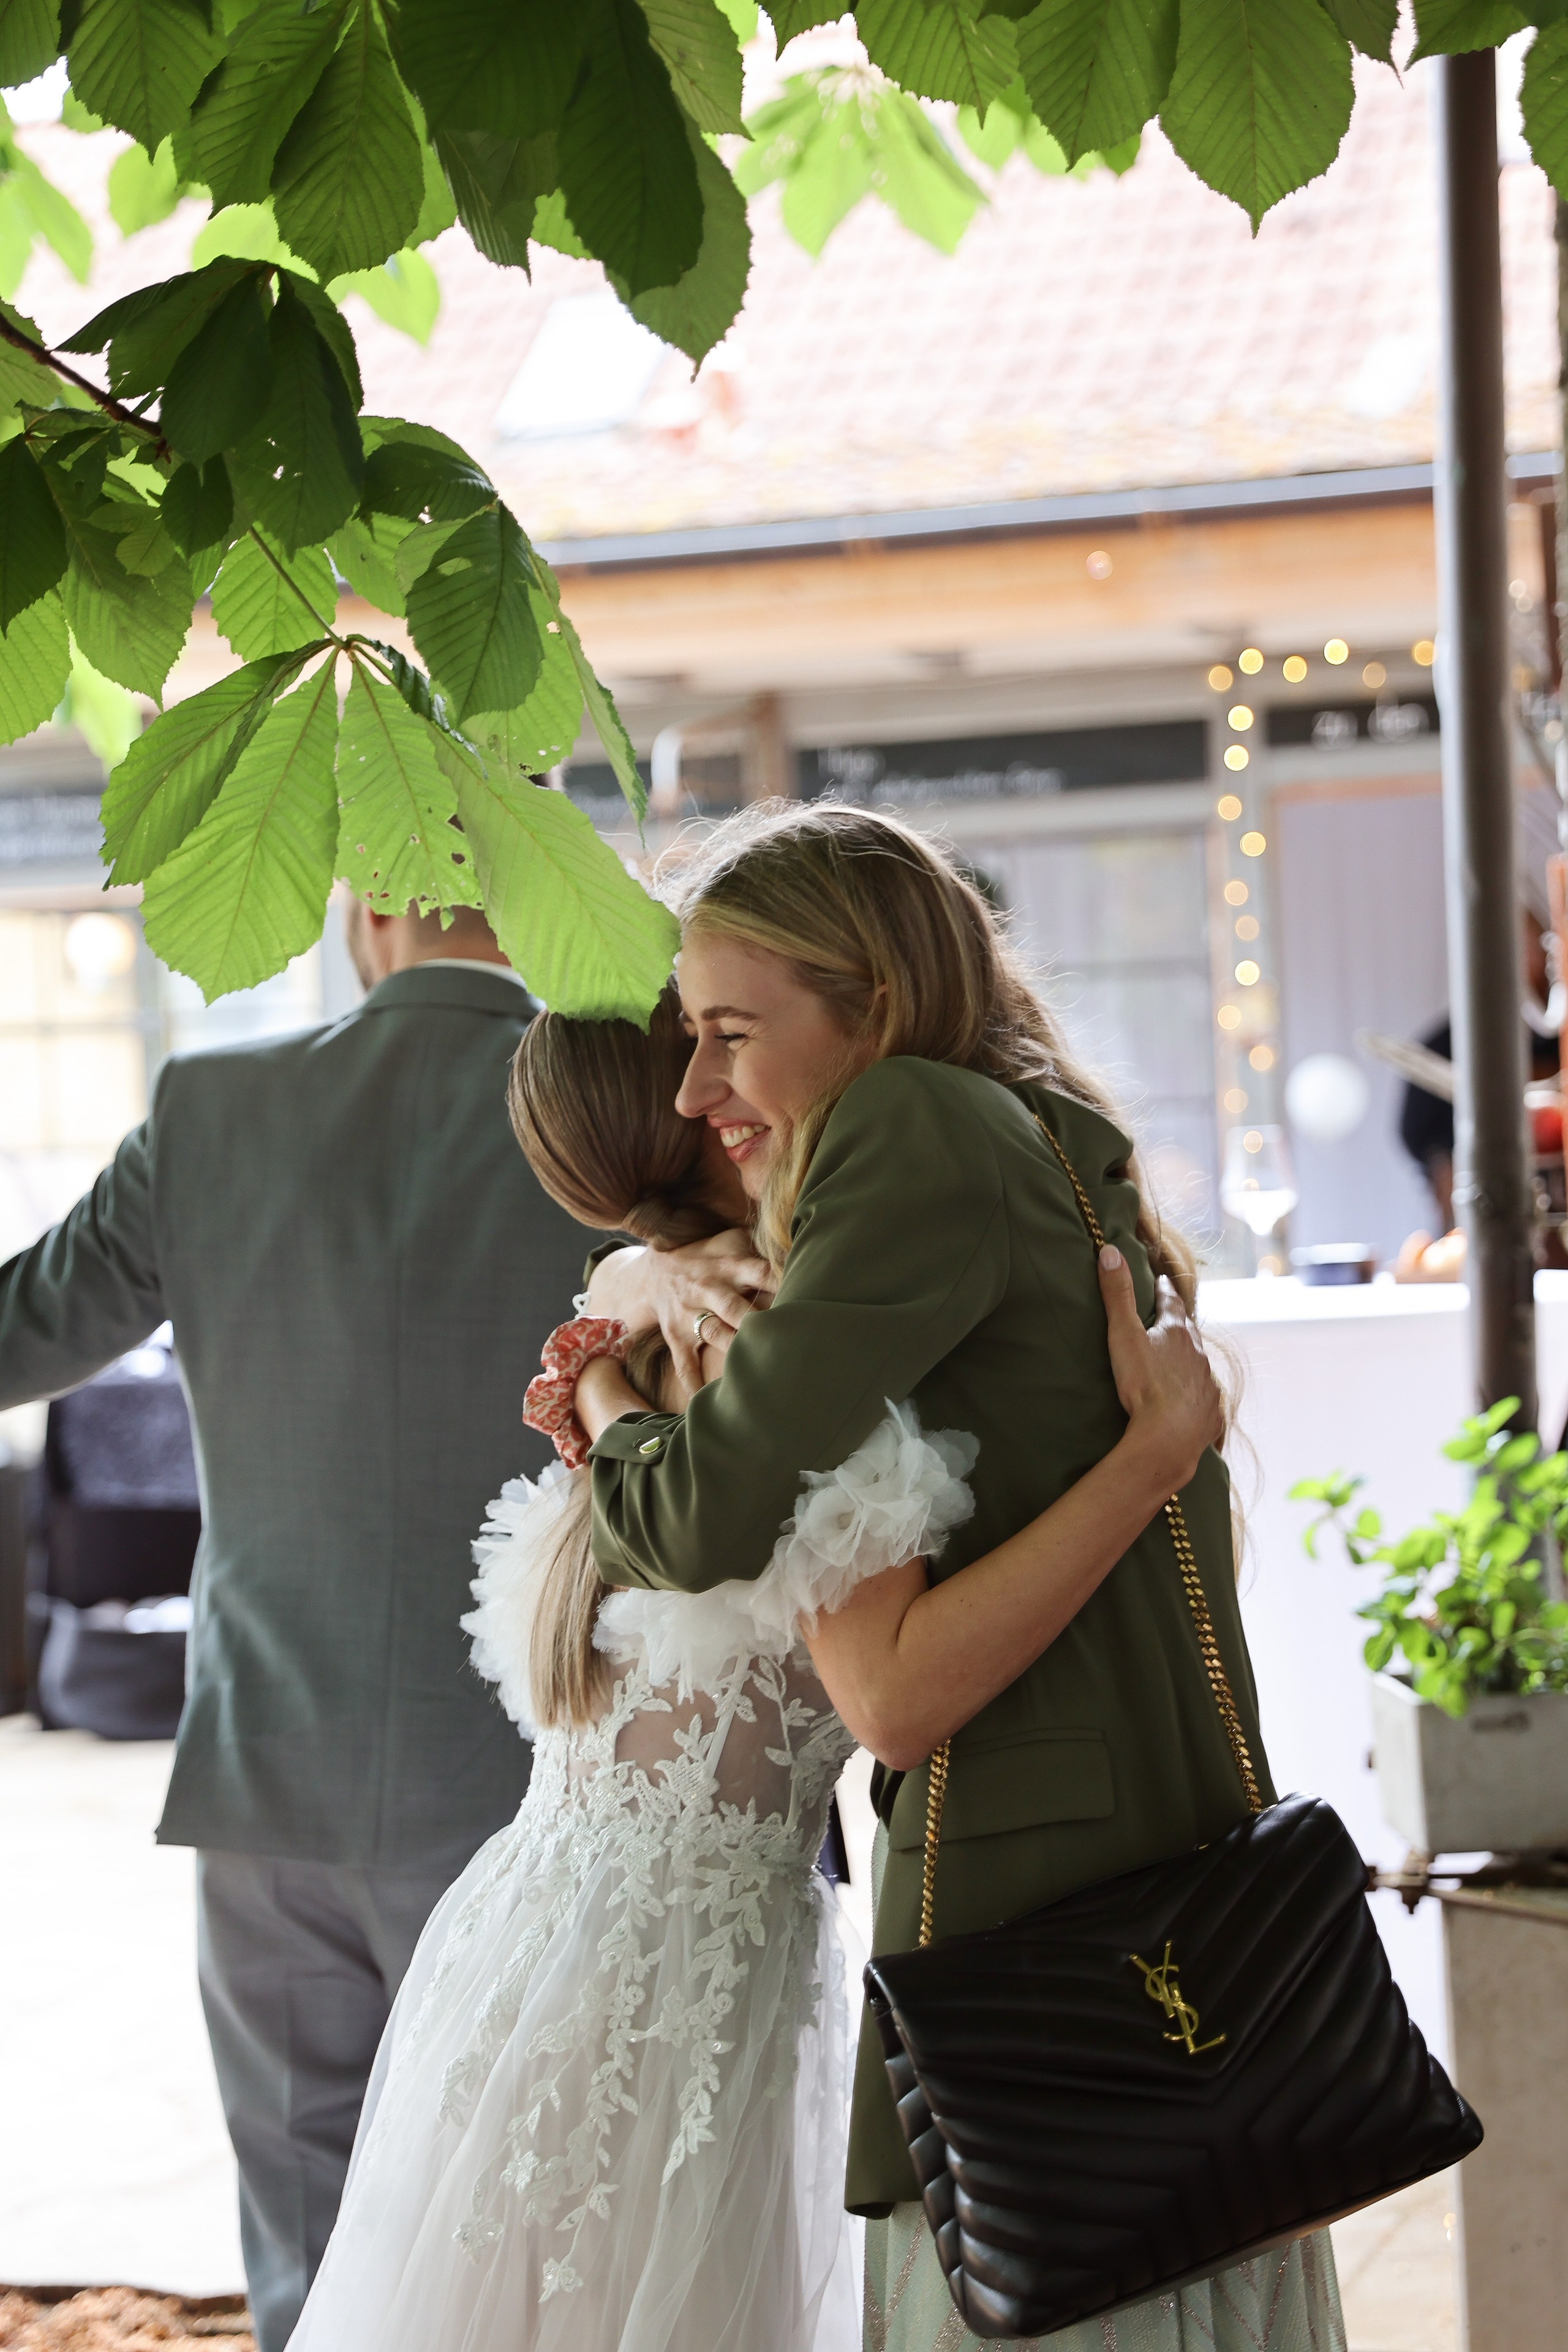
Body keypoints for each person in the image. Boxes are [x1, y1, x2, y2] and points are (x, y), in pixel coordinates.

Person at [288, 984, 1236, 2352]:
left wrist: (623, 1308)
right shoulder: (772, 1355)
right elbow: (894, 1696)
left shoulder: (632, 1332)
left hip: (535, 1946)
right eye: (718, 1046)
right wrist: (1148, 1465)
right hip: (662, 1989)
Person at [577, 802, 1346, 2352]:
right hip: (1149, 1839)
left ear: (873, 1006)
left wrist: (599, 1402)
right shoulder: (1048, 1137)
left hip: (1038, 1888)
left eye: (732, 1031)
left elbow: (707, 1514)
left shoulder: (910, 1123)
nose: (694, 1085)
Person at [0, 897, 587, 2352]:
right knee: (521, 2218)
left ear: (366, 912)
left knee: (305, 2216)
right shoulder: (621, 1116)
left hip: (269, 1750)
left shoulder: (215, 1105)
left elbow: (22, 1333)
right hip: (533, 1762)